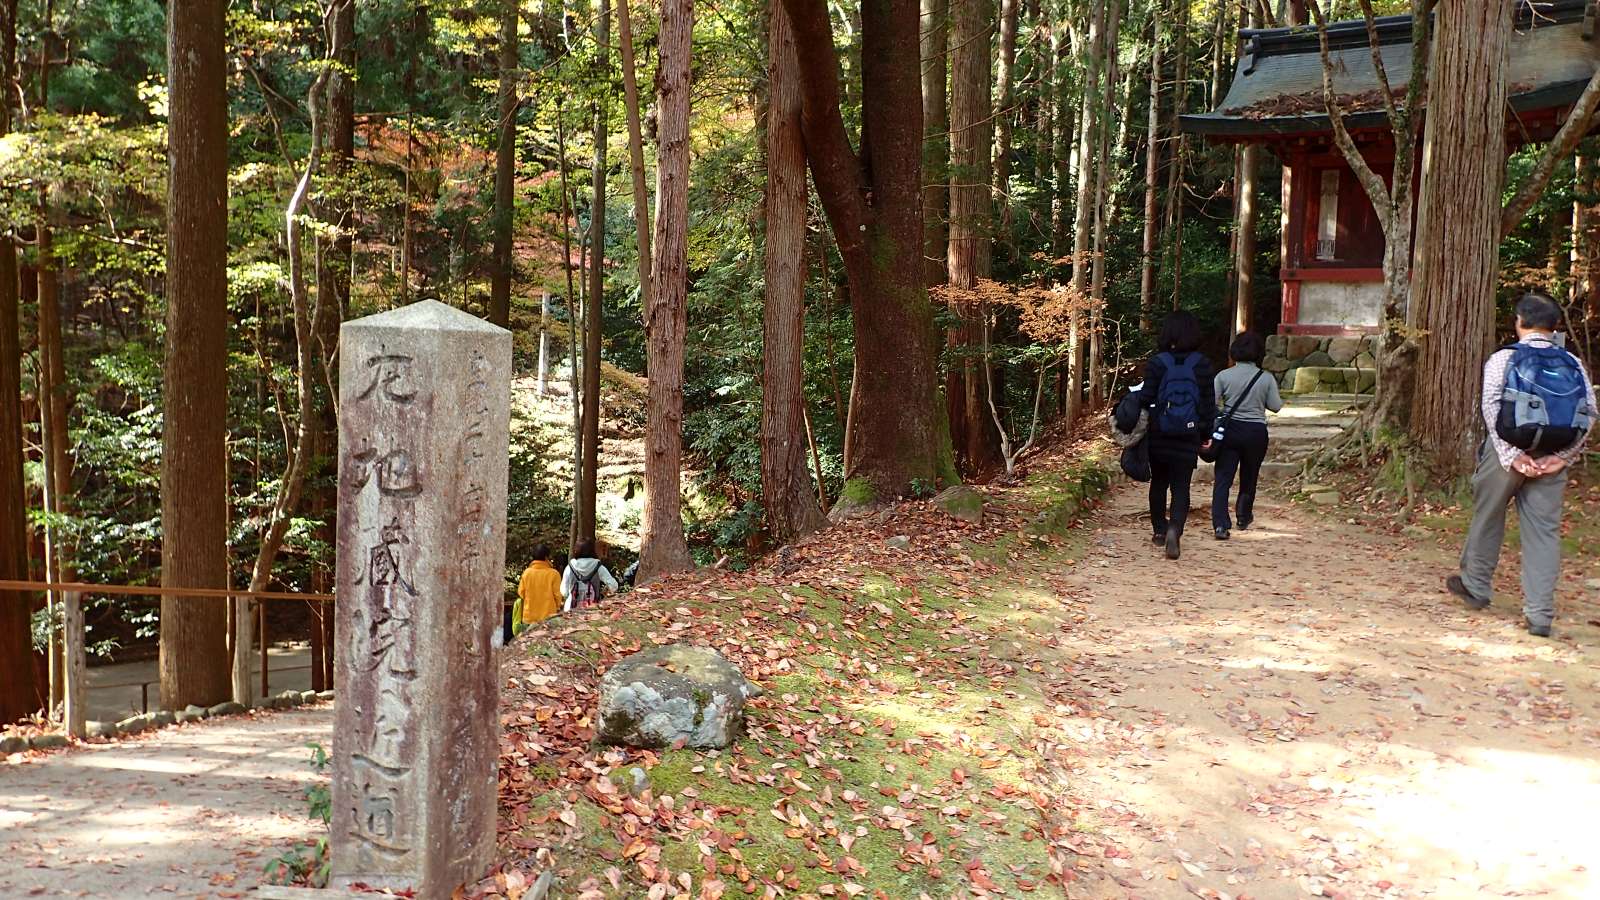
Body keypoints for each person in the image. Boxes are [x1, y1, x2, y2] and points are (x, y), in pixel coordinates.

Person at [1447, 292, 1595, 637]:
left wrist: (1511, 455)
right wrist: (1563, 457)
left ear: (1519, 322)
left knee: (1488, 515)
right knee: (1544, 533)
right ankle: (1540, 615)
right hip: (1552, 457)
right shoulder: (1573, 363)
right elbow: (1589, 413)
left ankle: (1476, 586)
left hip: (1507, 455)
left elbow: (1491, 407)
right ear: (1554, 326)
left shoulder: (1504, 358)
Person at [1136, 311, 1217, 560]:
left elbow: (1146, 398)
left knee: (1159, 482)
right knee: (1181, 485)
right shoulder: (1202, 364)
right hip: (1189, 434)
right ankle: (1175, 529)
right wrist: (1206, 433)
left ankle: (1160, 531)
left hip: (1159, 433)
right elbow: (1208, 404)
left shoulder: (1157, 363)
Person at [1211, 331, 1283, 540]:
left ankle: (1220, 524)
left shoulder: (1223, 376)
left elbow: (1212, 403)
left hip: (1230, 431)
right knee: (1249, 476)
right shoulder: (1266, 378)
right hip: (1255, 432)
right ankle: (1243, 516)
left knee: (1223, 478)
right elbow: (1275, 406)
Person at [515, 544, 564, 631]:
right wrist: (557, 607)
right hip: (549, 617)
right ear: (546, 557)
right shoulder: (554, 574)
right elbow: (558, 596)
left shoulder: (527, 573)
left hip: (529, 617)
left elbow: (521, 593)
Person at [562, 539, 619, 611]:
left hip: (571, 609)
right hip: (592, 609)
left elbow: (564, 591)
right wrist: (605, 591)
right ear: (592, 550)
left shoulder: (570, 567)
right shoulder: (598, 566)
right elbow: (614, 586)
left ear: (576, 550)